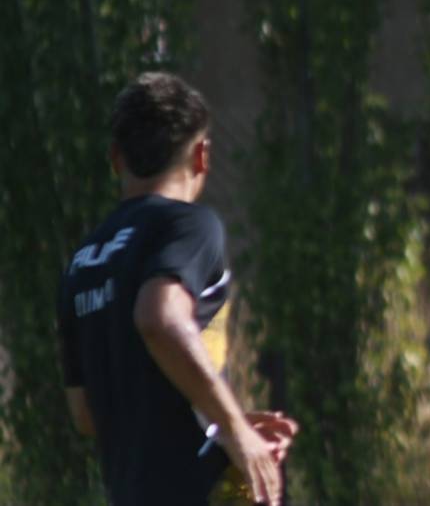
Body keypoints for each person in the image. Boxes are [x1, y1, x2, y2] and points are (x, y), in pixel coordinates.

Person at [57, 72, 297, 506]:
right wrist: (236, 431)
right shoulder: (190, 226)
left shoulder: (84, 260)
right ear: (202, 156)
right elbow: (160, 318)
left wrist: (219, 420)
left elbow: (86, 414)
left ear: (116, 158)